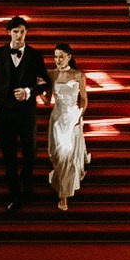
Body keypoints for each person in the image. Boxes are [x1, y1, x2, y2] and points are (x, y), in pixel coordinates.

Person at [0, 15, 48, 212]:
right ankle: (15, 195)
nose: (19, 35)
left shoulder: (35, 55)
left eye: (22, 31)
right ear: (8, 33)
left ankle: (26, 182)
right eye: (15, 32)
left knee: (30, 153)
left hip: (26, 113)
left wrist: (29, 91)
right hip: (4, 113)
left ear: (26, 32)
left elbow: (46, 83)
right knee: (9, 156)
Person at [47, 43, 89, 210]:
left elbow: (84, 99)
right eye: (55, 57)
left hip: (73, 117)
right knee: (56, 155)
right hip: (57, 119)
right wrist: (38, 90)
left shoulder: (78, 75)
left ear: (69, 57)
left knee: (67, 156)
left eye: (61, 57)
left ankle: (63, 196)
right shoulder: (51, 74)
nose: (58, 60)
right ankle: (66, 180)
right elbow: (46, 101)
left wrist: (80, 115)